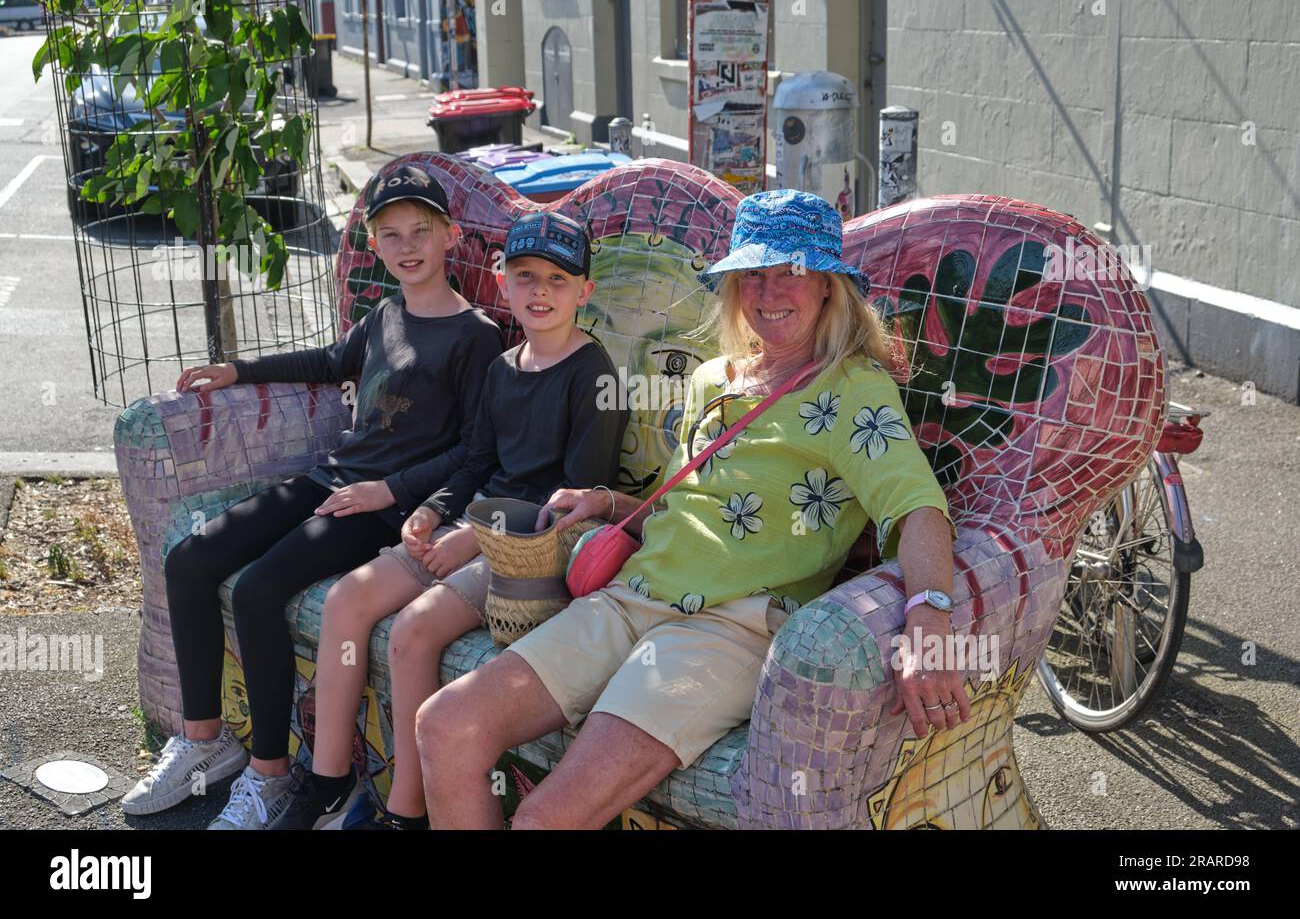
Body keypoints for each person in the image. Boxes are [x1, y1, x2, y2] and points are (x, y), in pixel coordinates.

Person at [414, 190, 962, 829]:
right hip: (628, 599)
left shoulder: (851, 390)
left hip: (727, 631)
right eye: (753, 272)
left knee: (543, 820)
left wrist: (930, 614)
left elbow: (917, 505)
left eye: (793, 270)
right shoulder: (715, 378)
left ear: (829, 287)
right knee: (444, 724)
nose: (770, 290)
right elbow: (679, 505)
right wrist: (609, 502)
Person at [120, 165, 503, 829]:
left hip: (386, 508)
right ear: (376, 246)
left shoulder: (477, 336)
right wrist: (238, 370)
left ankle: (270, 775)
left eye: (421, 231)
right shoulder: (385, 315)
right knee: (189, 558)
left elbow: (477, 453)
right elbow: (330, 364)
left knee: (259, 589)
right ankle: (205, 741)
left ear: (451, 236)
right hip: (332, 480)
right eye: (390, 235)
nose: (406, 246)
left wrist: (390, 488)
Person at [273, 212, 629, 829]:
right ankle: (327, 780)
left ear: (583, 292)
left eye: (556, 279)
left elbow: (576, 497)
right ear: (505, 284)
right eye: (524, 277)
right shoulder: (502, 366)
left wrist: (471, 538)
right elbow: (475, 459)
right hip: (471, 522)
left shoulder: (594, 375)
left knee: (413, 632)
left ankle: (407, 811)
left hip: (531, 548)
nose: (540, 291)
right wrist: (434, 509)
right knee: (347, 601)